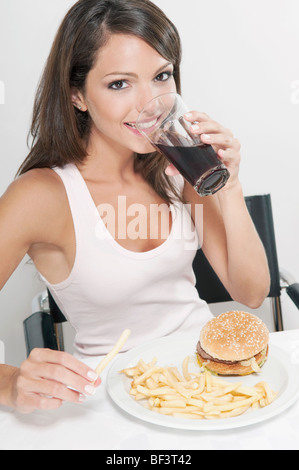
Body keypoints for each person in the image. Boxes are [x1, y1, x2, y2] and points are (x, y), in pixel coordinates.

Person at [0, 0, 270, 414]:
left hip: (206, 387)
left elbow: (251, 293)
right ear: (77, 95)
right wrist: (11, 382)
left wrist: (229, 186)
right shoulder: (40, 196)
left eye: (162, 76)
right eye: (119, 84)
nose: (152, 104)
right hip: (108, 402)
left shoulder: (178, 164)